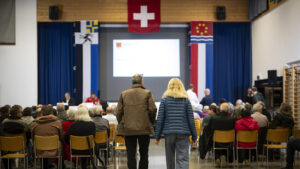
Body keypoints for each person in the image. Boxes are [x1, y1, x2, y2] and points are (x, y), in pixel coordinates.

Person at [155, 78, 197, 169]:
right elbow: (191, 120)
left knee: (169, 158)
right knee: (183, 158)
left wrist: (157, 136)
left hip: (169, 133)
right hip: (183, 133)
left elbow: (160, 119)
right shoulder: (186, 100)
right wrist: (194, 136)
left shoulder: (164, 100)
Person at [116, 74, 157, 169]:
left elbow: (118, 112)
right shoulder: (147, 93)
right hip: (144, 128)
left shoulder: (124, 94)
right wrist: (150, 122)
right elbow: (153, 109)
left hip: (128, 129)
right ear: (141, 82)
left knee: (131, 155)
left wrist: (122, 123)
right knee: (144, 154)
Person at [206, 103, 236, 167]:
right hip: (229, 142)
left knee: (213, 140)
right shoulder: (233, 119)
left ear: (220, 109)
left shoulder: (214, 118)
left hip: (216, 142)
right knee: (228, 143)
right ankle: (225, 156)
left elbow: (208, 130)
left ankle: (217, 157)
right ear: (228, 110)